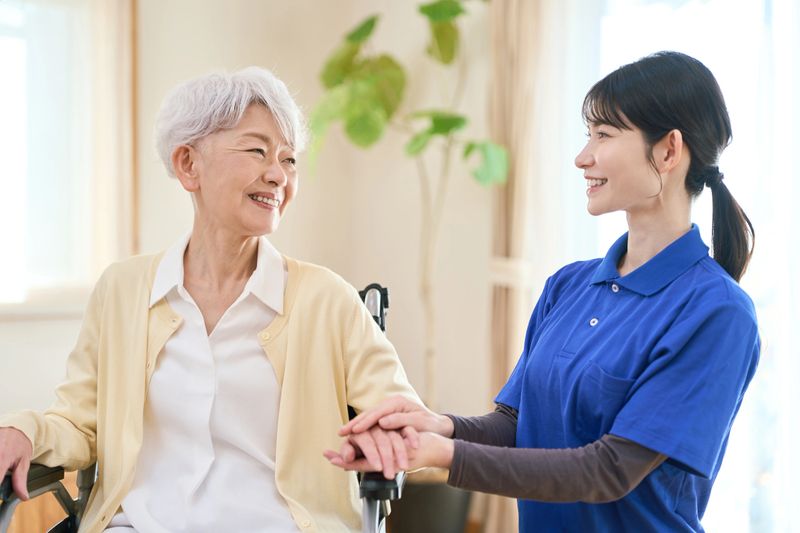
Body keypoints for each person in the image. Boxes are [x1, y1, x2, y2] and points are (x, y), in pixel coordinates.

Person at [327, 51, 760, 532]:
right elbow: (516, 426)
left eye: (604, 135)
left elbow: (609, 469)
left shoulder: (717, 312)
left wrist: (444, 455)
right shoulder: (568, 286)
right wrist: (437, 425)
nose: (583, 157)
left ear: (668, 150)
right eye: (586, 135)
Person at [0, 67, 420, 533]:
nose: (278, 174)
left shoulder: (327, 300)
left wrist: (389, 434)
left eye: (289, 159)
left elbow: (405, 418)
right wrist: (23, 430)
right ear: (188, 164)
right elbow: (78, 423)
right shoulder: (122, 291)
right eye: (258, 150)